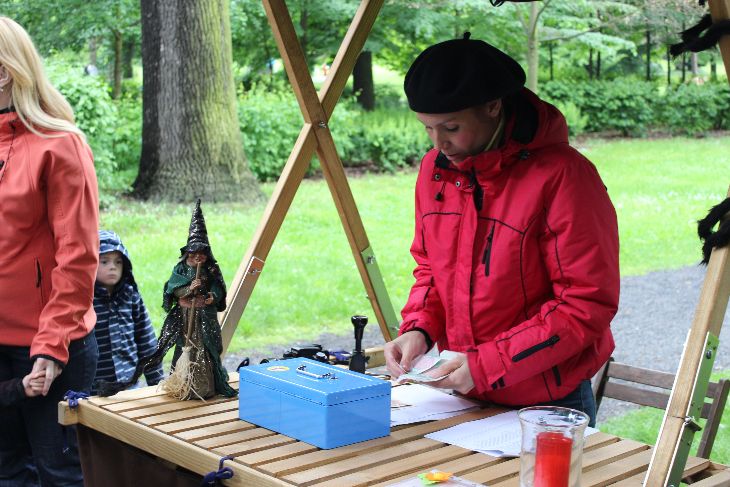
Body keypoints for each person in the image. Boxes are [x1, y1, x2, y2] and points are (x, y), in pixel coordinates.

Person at [384, 33, 619, 427]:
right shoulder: (435, 171)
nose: (439, 143)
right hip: (463, 392)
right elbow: (431, 271)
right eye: (427, 129)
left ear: (493, 106)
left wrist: (487, 364)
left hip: (547, 400)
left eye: (451, 127)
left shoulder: (565, 176)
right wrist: (419, 330)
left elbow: (585, 305)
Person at [0, 16, 99, 486]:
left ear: (4, 72)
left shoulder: (60, 145)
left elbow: (77, 256)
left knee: (61, 474)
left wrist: (52, 344)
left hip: (47, 347)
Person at [92, 230, 164, 394]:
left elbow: (147, 342)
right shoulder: (85, 301)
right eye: (104, 262)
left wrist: (157, 382)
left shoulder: (131, 297)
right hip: (92, 390)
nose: (112, 267)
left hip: (128, 388)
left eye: (118, 262)